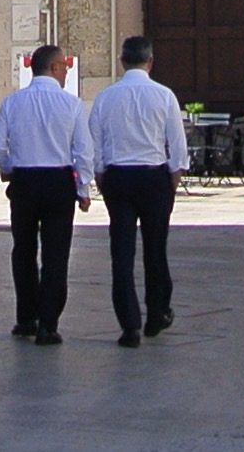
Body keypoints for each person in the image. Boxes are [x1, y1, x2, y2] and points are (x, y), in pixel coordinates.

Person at [82, 36, 188, 347]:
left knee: (122, 252)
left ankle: (129, 324)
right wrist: (174, 175)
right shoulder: (164, 95)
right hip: (154, 176)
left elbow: (95, 141)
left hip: (118, 177)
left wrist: (100, 174)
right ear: (150, 61)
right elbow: (177, 142)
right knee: (156, 248)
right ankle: (157, 312)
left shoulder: (106, 97)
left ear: (122, 61)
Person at [0, 44, 89, 345]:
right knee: (56, 254)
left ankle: (26, 317)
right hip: (58, 181)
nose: (66, 71)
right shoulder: (71, 105)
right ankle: (48, 324)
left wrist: (9, 167)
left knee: (24, 250)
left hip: (25, 181)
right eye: (65, 66)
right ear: (55, 67)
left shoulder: (13, 102)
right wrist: (83, 189)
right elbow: (83, 152)